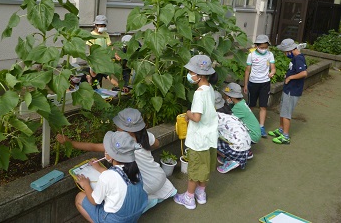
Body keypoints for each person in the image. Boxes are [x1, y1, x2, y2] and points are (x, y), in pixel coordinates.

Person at [57, 108, 177, 212]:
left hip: (146, 186)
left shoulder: (120, 145)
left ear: (127, 129)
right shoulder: (146, 136)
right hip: (160, 177)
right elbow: (157, 144)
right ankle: (159, 195)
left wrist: (70, 142)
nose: (116, 126)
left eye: (119, 124)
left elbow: (93, 147)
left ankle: (146, 202)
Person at [174, 55, 218, 210]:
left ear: (199, 75)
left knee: (194, 169)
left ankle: (189, 198)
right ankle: (201, 193)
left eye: (190, 72)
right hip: (209, 136)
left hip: (198, 138)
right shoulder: (210, 88)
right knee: (204, 167)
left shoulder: (199, 93)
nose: (189, 75)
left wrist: (188, 113)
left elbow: (197, 117)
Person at [75, 131, 148, 222]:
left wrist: (86, 184)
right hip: (134, 216)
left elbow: (94, 201)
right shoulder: (135, 169)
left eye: (107, 149)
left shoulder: (107, 176)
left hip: (115, 220)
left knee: (79, 197)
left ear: (111, 155)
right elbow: (121, 177)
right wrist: (99, 168)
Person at [268, 38, 307, 144]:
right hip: (288, 89)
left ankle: (285, 136)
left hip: (292, 91)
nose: (285, 54)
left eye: (285, 52)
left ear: (290, 49)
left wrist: (290, 78)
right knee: (283, 109)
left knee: (286, 113)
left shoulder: (299, 58)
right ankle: (281, 129)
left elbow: (303, 73)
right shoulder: (295, 58)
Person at [243, 34, 276, 138]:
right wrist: (245, 84)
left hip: (265, 83)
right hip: (253, 83)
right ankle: (248, 125)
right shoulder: (251, 55)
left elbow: (273, 68)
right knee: (251, 105)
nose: (263, 49)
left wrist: (272, 72)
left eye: (265, 47)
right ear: (256, 46)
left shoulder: (270, 54)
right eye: (261, 47)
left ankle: (261, 127)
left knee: (263, 106)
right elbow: (247, 70)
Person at [214, 91, 253, 173]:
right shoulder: (229, 113)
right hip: (246, 148)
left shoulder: (216, 116)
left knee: (211, 139)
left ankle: (232, 160)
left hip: (237, 150)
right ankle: (230, 158)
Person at [85, 15, 120, 89]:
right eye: (101, 25)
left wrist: (115, 54)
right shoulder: (91, 35)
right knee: (91, 80)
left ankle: (99, 90)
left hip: (103, 60)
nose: (103, 27)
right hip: (95, 60)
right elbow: (91, 48)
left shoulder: (106, 34)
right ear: (96, 25)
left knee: (101, 79)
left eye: (104, 26)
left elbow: (110, 45)